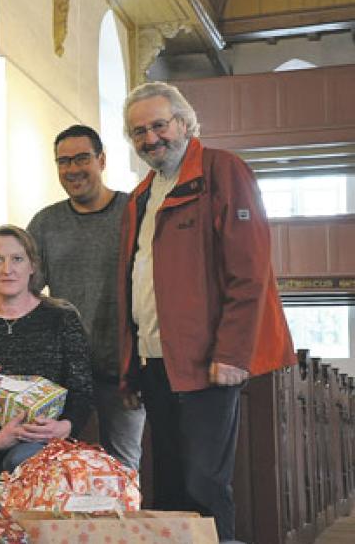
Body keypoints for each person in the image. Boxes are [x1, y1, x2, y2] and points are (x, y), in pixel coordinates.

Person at [118, 81, 295, 542]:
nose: (151, 138)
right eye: (138, 132)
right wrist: (131, 367)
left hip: (207, 362)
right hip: (155, 360)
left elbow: (250, 272)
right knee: (169, 485)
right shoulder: (141, 194)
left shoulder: (223, 170)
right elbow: (134, 282)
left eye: (159, 125)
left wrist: (234, 353)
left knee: (204, 485)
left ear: (184, 122)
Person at [26, 125, 145, 470]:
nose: (72, 169)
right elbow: (25, 292)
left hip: (124, 367)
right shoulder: (46, 223)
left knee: (122, 468)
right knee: (56, 469)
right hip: (65, 371)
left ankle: (124, 527)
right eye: (63, 161)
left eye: (81, 158)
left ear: (102, 160)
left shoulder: (133, 212)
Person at [0, 225, 93, 477]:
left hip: (50, 447)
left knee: (27, 462)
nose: (7, 269)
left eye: (17, 259)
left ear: (32, 266)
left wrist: (65, 426)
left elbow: (82, 390)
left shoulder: (62, 320)